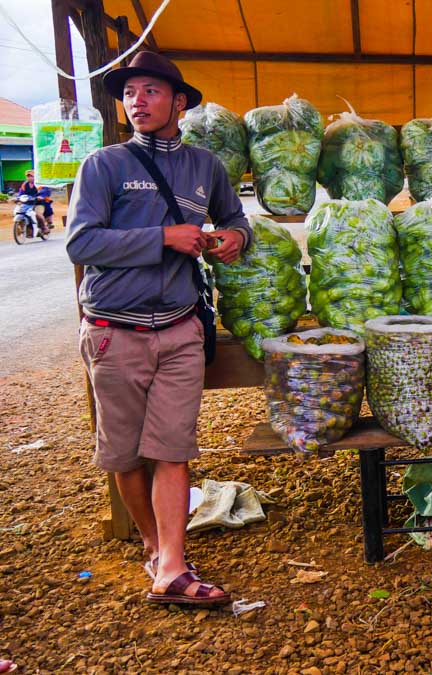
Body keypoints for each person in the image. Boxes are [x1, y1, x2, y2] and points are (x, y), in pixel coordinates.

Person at [66, 51, 252, 607]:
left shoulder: (206, 167)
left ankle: (171, 564)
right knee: (125, 456)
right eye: (130, 94)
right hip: (113, 330)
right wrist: (163, 239)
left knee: (173, 449)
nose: (137, 102)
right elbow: (81, 243)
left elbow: (235, 217)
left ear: (179, 102)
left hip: (178, 330)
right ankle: (152, 543)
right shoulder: (104, 165)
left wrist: (237, 238)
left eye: (150, 91)